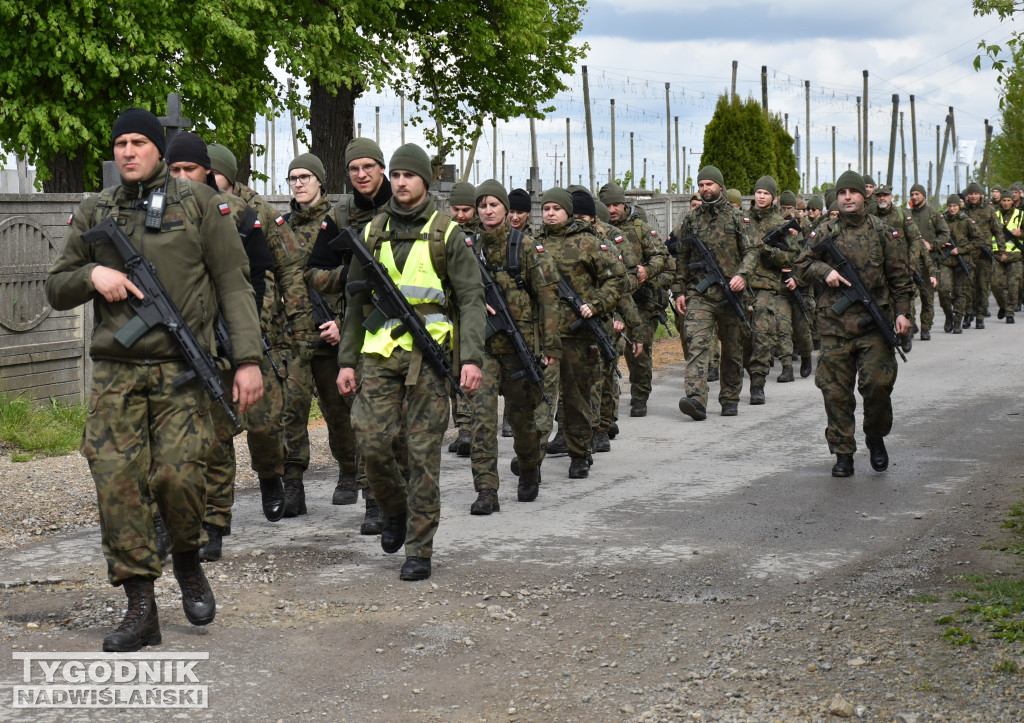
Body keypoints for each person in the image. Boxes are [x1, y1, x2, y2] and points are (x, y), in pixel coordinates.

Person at [46, 108, 263, 651]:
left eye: (138, 142)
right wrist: (92, 274)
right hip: (117, 375)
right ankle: (140, 607)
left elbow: (234, 284)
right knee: (116, 487)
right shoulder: (96, 209)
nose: (127, 152)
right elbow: (56, 287)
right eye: (120, 143)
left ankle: (187, 560)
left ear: (158, 148)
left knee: (179, 479)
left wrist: (248, 360)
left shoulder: (199, 204)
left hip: (182, 373)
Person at [336, 143, 486, 581]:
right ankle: (394, 508)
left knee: (422, 455)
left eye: (409, 175)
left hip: (430, 358)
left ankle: (419, 548)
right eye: (396, 175)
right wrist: (347, 362)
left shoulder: (447, 233)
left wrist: (470, 359)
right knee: (370, 440)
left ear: (423, 180)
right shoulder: (373, 231)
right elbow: (354, 302)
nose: (400, 182)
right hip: (378, 355)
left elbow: (472, 300)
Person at [165, 132, 285, 561]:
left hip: (235, 333)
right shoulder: (158, 214)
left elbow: (259, 278)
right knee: (209, 437)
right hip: (186, 339)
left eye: (191, 170)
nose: (182, 179)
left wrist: (246, 334)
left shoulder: (238, 214)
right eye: (174, 170)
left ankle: (269, 476)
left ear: (212, 174)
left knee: (261, 423)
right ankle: (213, 521)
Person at [795, 170, 913, 477]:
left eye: (854, 191)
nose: (848, 196)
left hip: (873, 324)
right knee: (835, 392)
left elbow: (901, 279)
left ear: (865, 196)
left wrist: (903, 313)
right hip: (834, 325)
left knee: (876, 385)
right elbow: (801, 265)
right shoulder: (824, 231)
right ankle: (843, 452)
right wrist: (825, 272)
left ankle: (875, 437)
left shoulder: (884, 231)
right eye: (842, 192)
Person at [304, 138, 394, 534]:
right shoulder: (340, 215)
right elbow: (314, 272)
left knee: (401, 427)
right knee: (366, 420)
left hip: (406, 327)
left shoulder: (404, 207)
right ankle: (374, 501)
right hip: (361, 327)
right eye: (354, 169)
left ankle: (402, 496)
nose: (361, 175)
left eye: (368, 167)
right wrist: (355, 278)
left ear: (382, 168)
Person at [466, 180, 560, 514]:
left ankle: (529, 469)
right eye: (482, 205)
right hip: (483, 349)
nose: (487, 211)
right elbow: (454, 291)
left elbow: (549, 298)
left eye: (493, 204)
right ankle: (486, 489)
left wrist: (551, 347)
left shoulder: (527, 247)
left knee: (523, 422)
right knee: (481, 421)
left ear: (506, 209)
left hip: (520, 350)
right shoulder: (468, 248)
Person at [280, 153, 358, 518]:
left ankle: (349, 472)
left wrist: (342, 321)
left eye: (305, 177)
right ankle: (292, 484)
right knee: (290, 411)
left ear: (320, 181)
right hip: (293, 335)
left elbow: (354, 278)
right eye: (292, 178)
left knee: (338, 411)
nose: (298, 183)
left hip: (330, 334)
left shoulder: (338, 222)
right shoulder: (281, 227)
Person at [533, 188, 626, 478]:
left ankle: (579, 454)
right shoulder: (533, 244)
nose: (550, 213)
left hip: (579, 335)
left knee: (578, 399)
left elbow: (616, 279)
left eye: (556, 208)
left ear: (568, 211)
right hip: (544, 336)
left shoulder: (588, 242)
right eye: (546, 208)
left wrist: (596, 305)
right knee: (541, 398)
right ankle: (531, 458)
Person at [672, 166, 759, 420]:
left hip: (731, 295)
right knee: (697, 343)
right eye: (701, 185)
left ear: (720, 186)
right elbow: (682, 258)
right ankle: (696, 399)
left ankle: (730, 397)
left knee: (732, 348)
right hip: (700, 295)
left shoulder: (737, 217)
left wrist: (742, 275)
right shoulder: (691, 219)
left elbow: (752, 251)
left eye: (709, 184)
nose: (704, 189)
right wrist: (679, 290)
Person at [599, 182, 669, 418]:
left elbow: (662, 257)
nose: (611, 210)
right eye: (606, 205)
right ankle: (607, 401)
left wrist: (646, 271)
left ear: (624, 203)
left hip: (640, 301)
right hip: (610, 301)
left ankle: (640, 396)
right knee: (608, 349)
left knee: (638, 351)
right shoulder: (597, 230)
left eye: (615, 204)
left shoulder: (640, 228)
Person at [744, 175, 799, 401]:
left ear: (774, 198)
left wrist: (768, 251)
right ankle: (750, 368)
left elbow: (791, 259)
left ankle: (757, 383)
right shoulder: (742, 220)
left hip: (766, 286)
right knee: (741, 337)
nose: (761, 196)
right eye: (758, 192)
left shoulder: (781, 224)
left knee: (761, 335)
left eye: (766, 193)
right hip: (741, 284)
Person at [907, 183, 951, 332]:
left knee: (927, 296)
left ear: (924, 196)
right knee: (909, 296)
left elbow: (945, 234)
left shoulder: (934, 214)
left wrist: (932, 245)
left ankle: (926, 327)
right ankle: (912, 324)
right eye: (912, 194)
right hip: (912, 261)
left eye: (917, 194)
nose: (914, 197)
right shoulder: (907, 214)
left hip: (929, 261)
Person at [940, 195, 984, 333]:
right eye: (950, 206)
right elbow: (934, 236)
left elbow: (979, 240)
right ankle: (949, 316)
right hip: (946, 261)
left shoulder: (967, 221)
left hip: (963, 261)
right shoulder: (941, 221)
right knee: (943, 290)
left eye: (955, 206)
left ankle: (958, 320)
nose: (952, 209)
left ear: (959, 206)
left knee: (961, 292)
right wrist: (941, 243)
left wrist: (961, 249)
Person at [962, 182, 1002, 328]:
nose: (973, 196)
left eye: (976, 193)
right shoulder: (963, 210)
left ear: (981, 194)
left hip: (984, 254)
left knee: (982, 286)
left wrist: (1001, 250)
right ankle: (967, 315)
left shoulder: (988, 210)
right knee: (967, 286)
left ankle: (980, 316)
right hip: (967, 253)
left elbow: (998, 231)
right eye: (971, 194)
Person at [993, 193, 1023, 323]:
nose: (1006, 203)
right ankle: (1003, 306)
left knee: (1013, 284)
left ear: (1013, 201)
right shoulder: (994, 215)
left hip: (1015, 255)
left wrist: (1021, 234)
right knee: (995, 284)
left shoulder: (1021, 215)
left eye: (1008, 200)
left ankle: (1010, 312)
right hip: (997, 255)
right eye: (1004, 200)